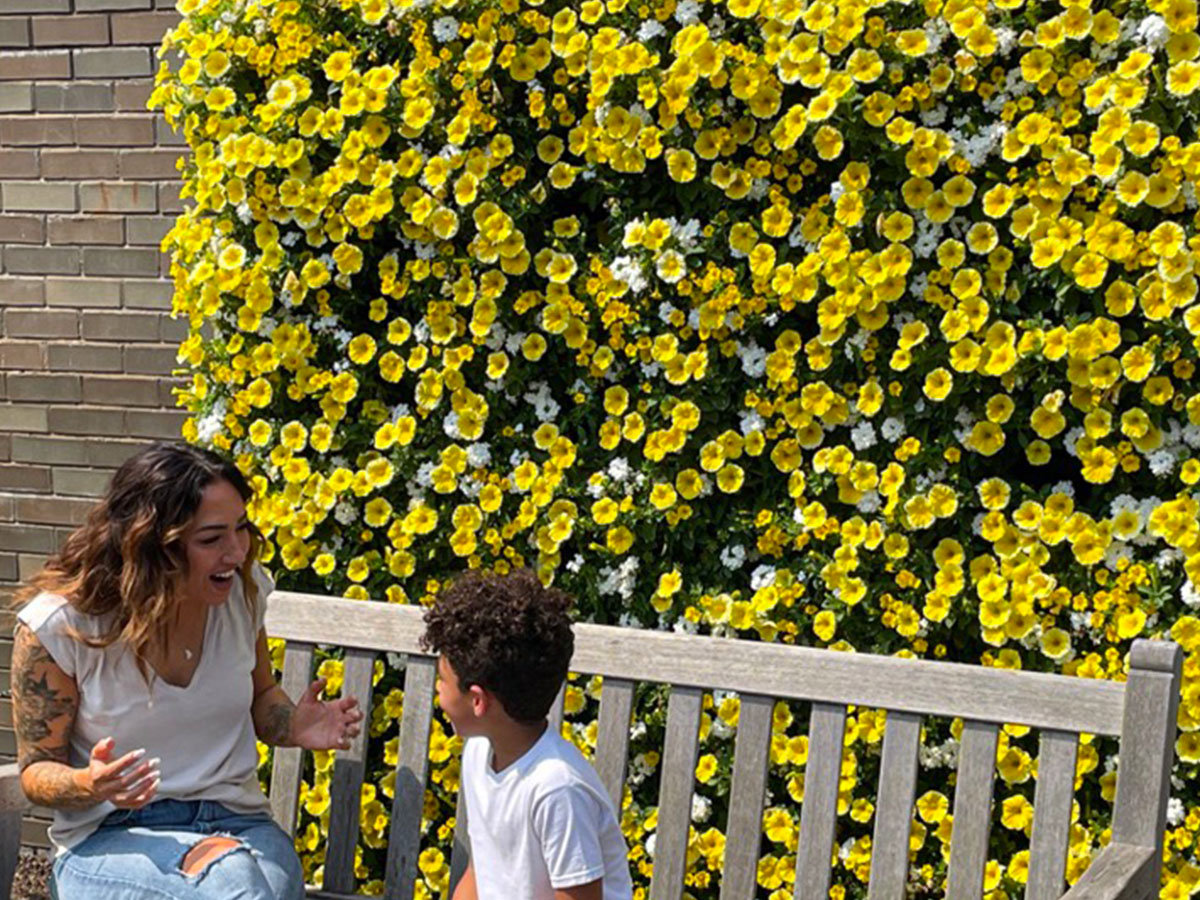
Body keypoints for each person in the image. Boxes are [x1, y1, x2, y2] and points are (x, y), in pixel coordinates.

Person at [10, 441, 364, 900]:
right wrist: (88, 783)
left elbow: (262, 697)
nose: (236, 553)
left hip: (238, 825)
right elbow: (37, 770)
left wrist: (292, 723)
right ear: (150, 544)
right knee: (243, 890)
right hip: (110, 839)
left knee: (256, 888)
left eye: (241, 530)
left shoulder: (243, 594)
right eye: (212, 539)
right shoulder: (61, 627)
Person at [420, 568, 633, 900]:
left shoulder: (557, 789)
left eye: (442, 681)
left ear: (477, 700)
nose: (438, 690)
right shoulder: (479, 751)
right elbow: (484, 871)